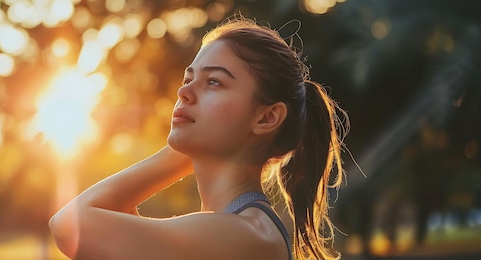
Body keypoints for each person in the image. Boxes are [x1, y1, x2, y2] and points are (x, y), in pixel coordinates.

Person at [49, 15, 349, 260]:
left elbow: (68, 226)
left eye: (214, 82)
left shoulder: (246, 234)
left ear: (266, 117)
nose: (184, 92)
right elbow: (104, 219)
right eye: (188, 78)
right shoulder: (228, 227)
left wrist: (175, 157)